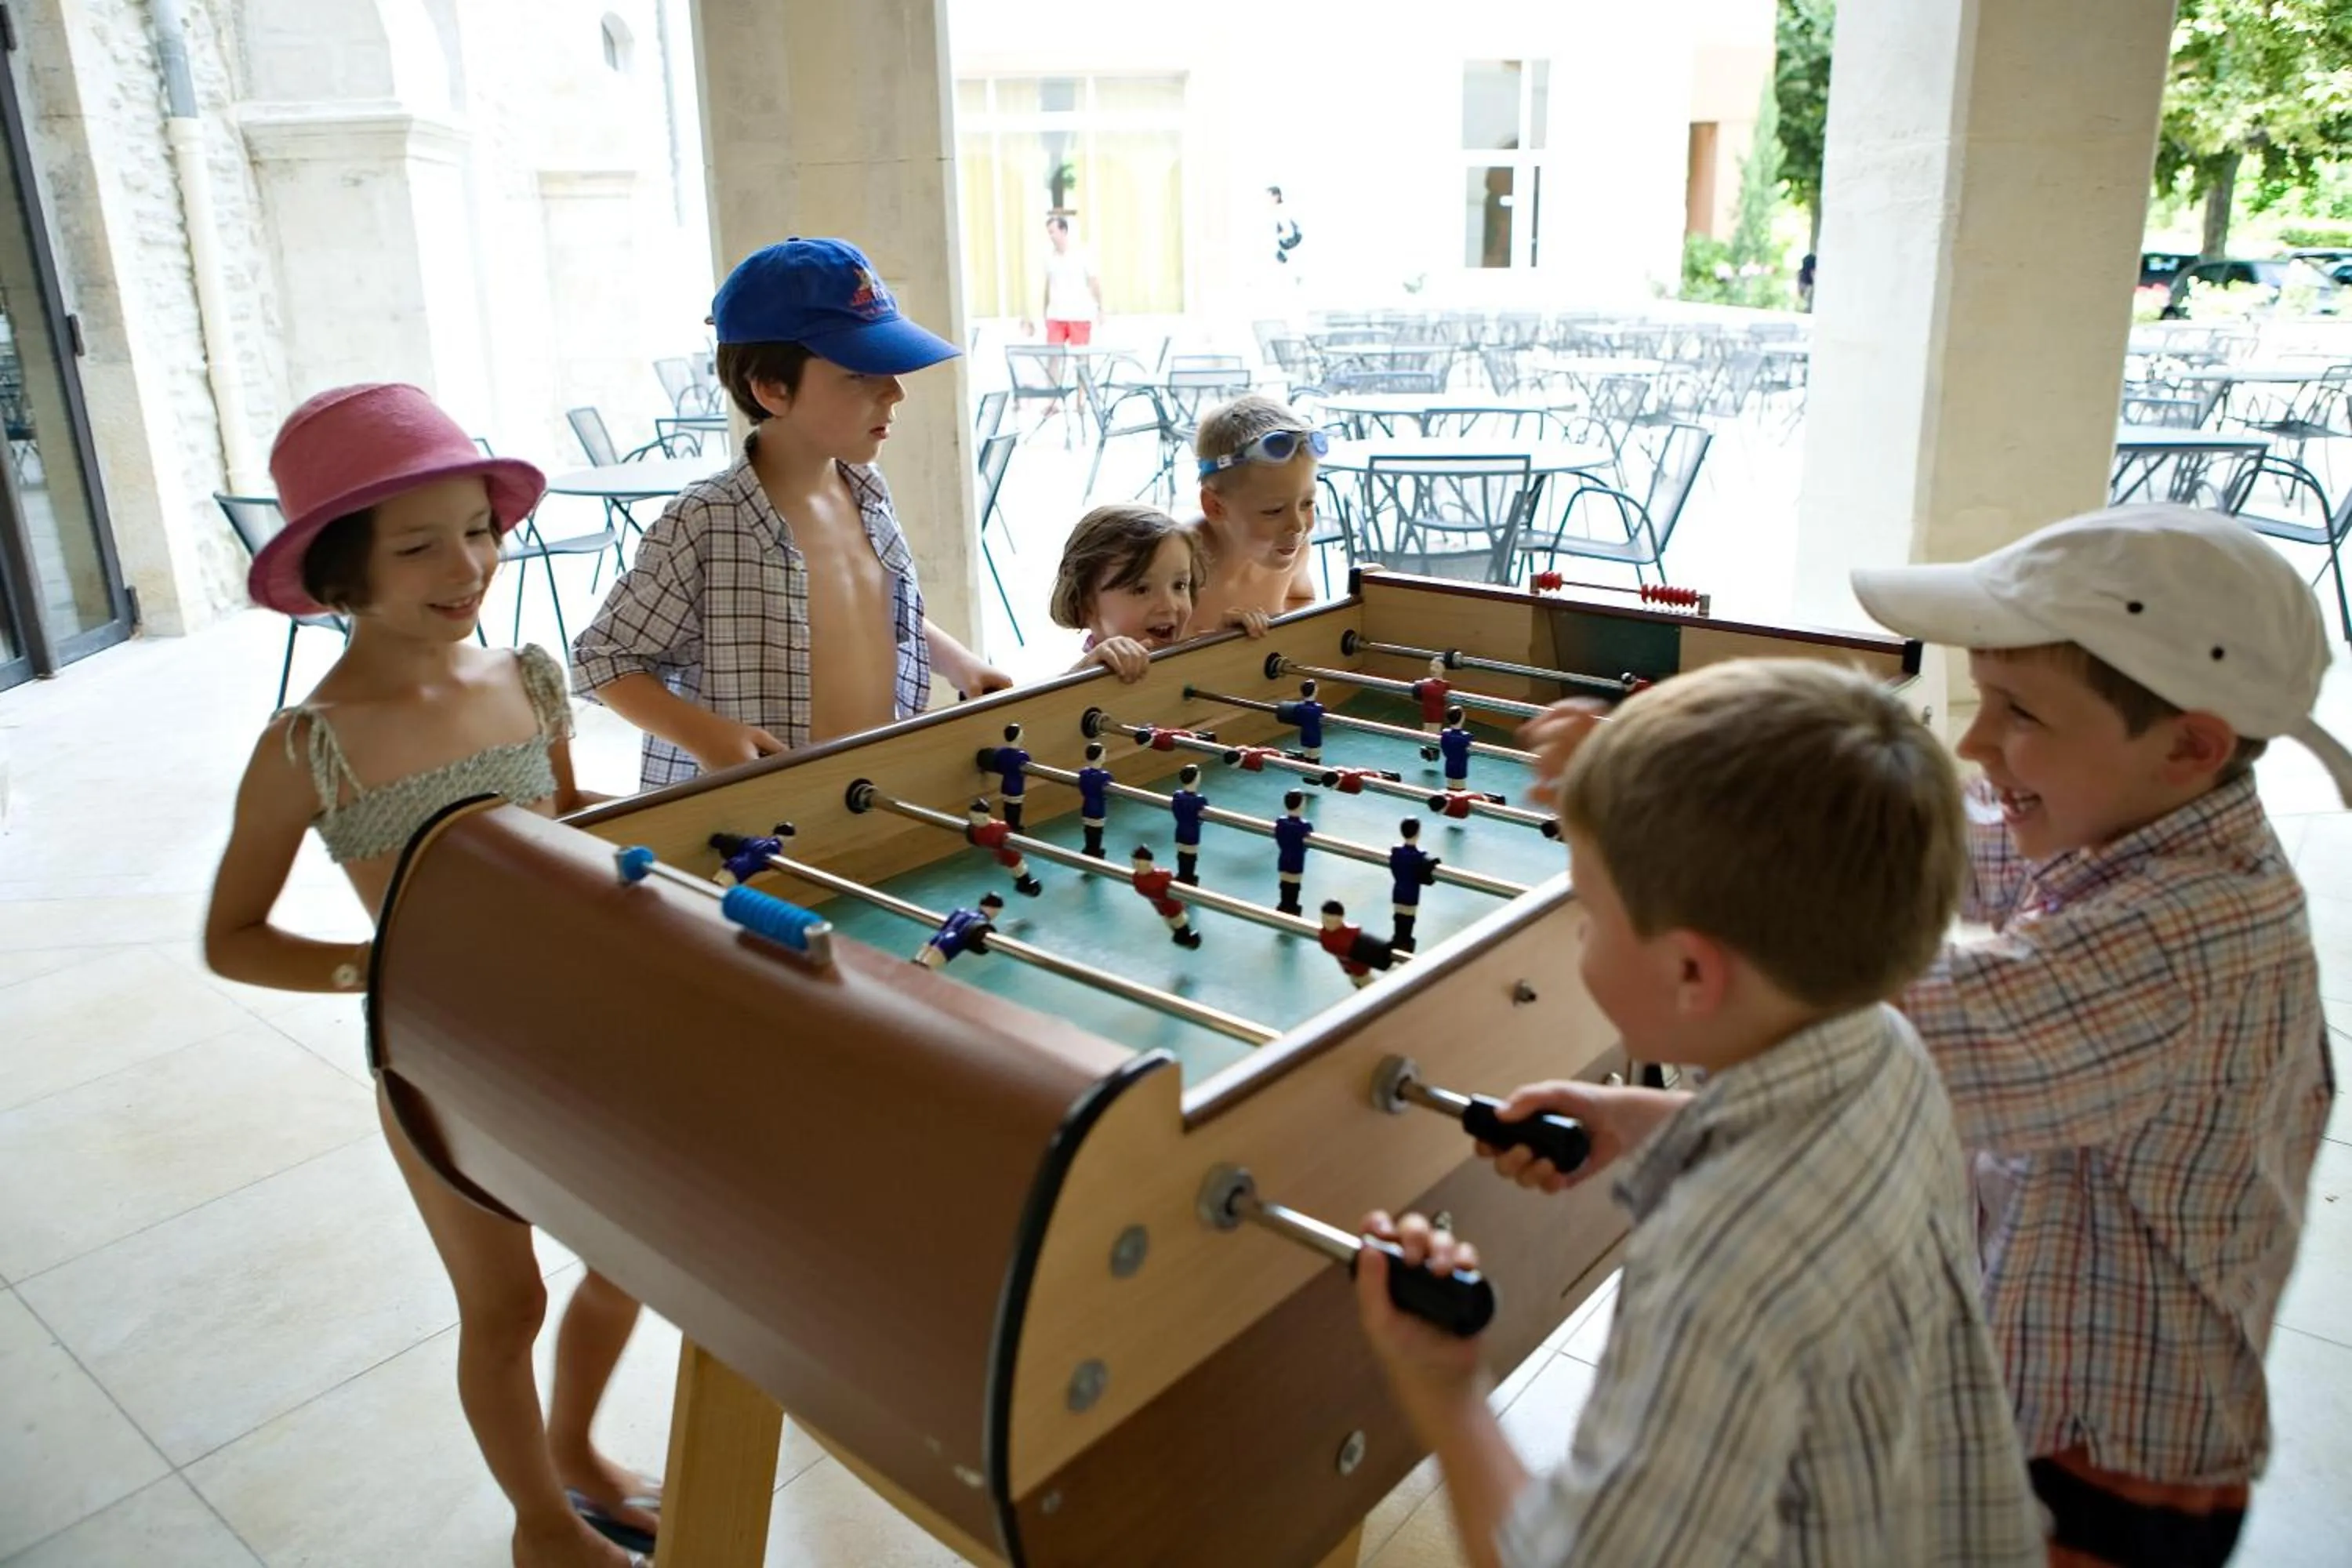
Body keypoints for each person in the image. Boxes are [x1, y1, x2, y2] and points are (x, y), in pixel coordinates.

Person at [1359, 659, 2043, 1568]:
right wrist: (1638, 1117)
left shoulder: (1720, 1258)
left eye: (1591, 913)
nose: (1579, 935)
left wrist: (1446, 1390)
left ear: (1690, 972)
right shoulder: (1887, 1044)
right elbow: (1806, 1130)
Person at [203, 384, 657, 1568]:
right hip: (441, 1054)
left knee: (636, 1255)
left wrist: (674, 824)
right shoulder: (311, 745)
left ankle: (581, 1449)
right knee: (505, 1303)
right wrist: (383, 961)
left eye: (479, 530)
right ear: (340, 574)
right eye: (419, 547)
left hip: (585, 1019)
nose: (468, 565)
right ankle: (544, 1529)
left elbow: (560, 810)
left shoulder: (522, 675)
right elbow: (232, 936)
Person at [1846, 505, 2344, 1568]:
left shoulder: (2183, 935)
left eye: (2018, 711)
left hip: (2103, 1471)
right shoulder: (2108, 822)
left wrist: (1669, 847)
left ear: (2190, 746)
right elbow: (1948, 840)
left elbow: (1890, 1033)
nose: (1977, 743)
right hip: (2039, 1406)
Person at [572, 237, 1007, 791]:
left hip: (870, 791)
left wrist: (961, 665)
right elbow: (602, 658)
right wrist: (706, 735)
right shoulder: (706, 520)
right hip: (761, 815)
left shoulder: (865, 491)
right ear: (772, 389)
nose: (895, 392)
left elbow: (871, 611)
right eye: (859, 374)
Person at [1186, 394, 1325, 637]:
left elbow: (1302, 597)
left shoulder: (1293, 550)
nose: (1297, 526)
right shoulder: (1178, 561)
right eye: (1274, 511)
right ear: (1215, 507)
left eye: (1307, 503)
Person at [1049, 503, 1203, 682]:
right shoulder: (1088, 674)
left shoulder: (1186, 651)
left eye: (1180, 585)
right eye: (1141, 589)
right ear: (1086, 606)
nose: (1169, 605)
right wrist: (1086, 672)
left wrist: (1233, 641)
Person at [1033, 215, 1102, 347]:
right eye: (1049, 233)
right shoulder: (1049, 258)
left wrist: (1100, 307)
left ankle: (1082, 368)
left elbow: (1094, 282)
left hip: (1079, 315)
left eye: (1053, 232)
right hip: (1056, 315)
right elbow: (1048, 286)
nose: (1051, 236)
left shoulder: (1082, 254)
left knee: (1081, 356)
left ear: (1063, 231)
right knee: (1053, 355)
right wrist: (1045, 312)